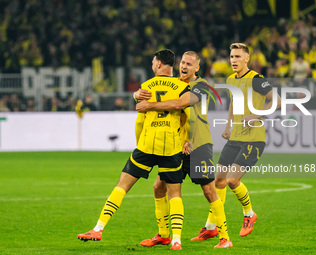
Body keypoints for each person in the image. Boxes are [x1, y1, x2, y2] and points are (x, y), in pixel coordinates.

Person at [77, 49, 190, 251]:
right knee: (174, 194)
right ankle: (176, 240)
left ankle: (98, 228)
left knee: (122, 185)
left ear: (158, 64)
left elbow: (140, 121)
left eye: (153, 62)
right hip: (172, 145)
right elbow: (187, 118)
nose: (152, 65)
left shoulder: (146, 87)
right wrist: (186, 140)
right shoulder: (182, 87)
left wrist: (139, 142)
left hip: (147, 144)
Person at [135, 51, 232, 248]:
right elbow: (149, 93)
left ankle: (224, 238)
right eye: (182, 63)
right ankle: (163, 234)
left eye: (189, 64)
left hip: (199, 144)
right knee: (158, 187)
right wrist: (136, 94)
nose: (184, 66)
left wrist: (150, 105)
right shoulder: (175, 84)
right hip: (175, 146)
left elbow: (180, 104)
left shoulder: (202, 87)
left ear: (197, 68)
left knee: (208, 190)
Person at [197, 43, 282, 239]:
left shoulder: (256, 80)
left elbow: (277, 100)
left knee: (232, 180)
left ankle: (249, 214)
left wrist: (256, 115)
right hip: (235, 137)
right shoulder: (230, 79)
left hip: (254, 139)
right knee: (218, 180)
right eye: (231, 56)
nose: (233, 60)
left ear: (247, 59)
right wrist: (228, 126)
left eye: (237, 56)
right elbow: (233, 104)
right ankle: (211, 226)